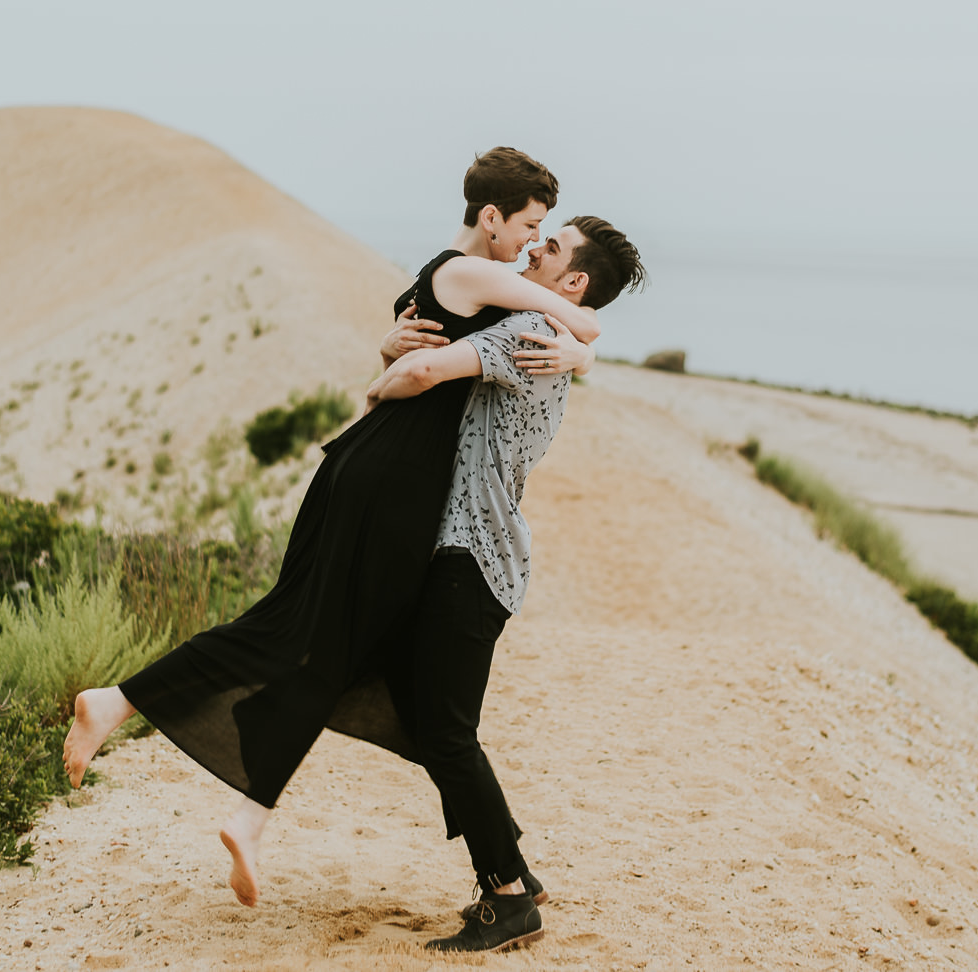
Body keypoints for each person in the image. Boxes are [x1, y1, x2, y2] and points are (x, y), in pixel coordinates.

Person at [61, 148, 598, 906]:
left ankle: (240, 809)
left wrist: (574, 350)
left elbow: (533, 322)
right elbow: (567, 313)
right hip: (392, 484)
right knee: (300, 631)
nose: (530, 244)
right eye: (529, 227)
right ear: (490, 218)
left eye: (545, 236)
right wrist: (577, 340)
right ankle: (121, 703)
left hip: (390, 477)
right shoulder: (473, 271)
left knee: (330, 648)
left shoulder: (463, 279)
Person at [365, 215, 645, 954]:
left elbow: (425, 373)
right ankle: (513, 866)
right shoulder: (553, 334)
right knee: (435, 724)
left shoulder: (529, 336)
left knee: (446, 733)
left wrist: (379, 384)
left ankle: (509, 896)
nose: (532, 249)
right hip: (470, 554)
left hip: (472, 556)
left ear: (573, 281)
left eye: (549, 248)